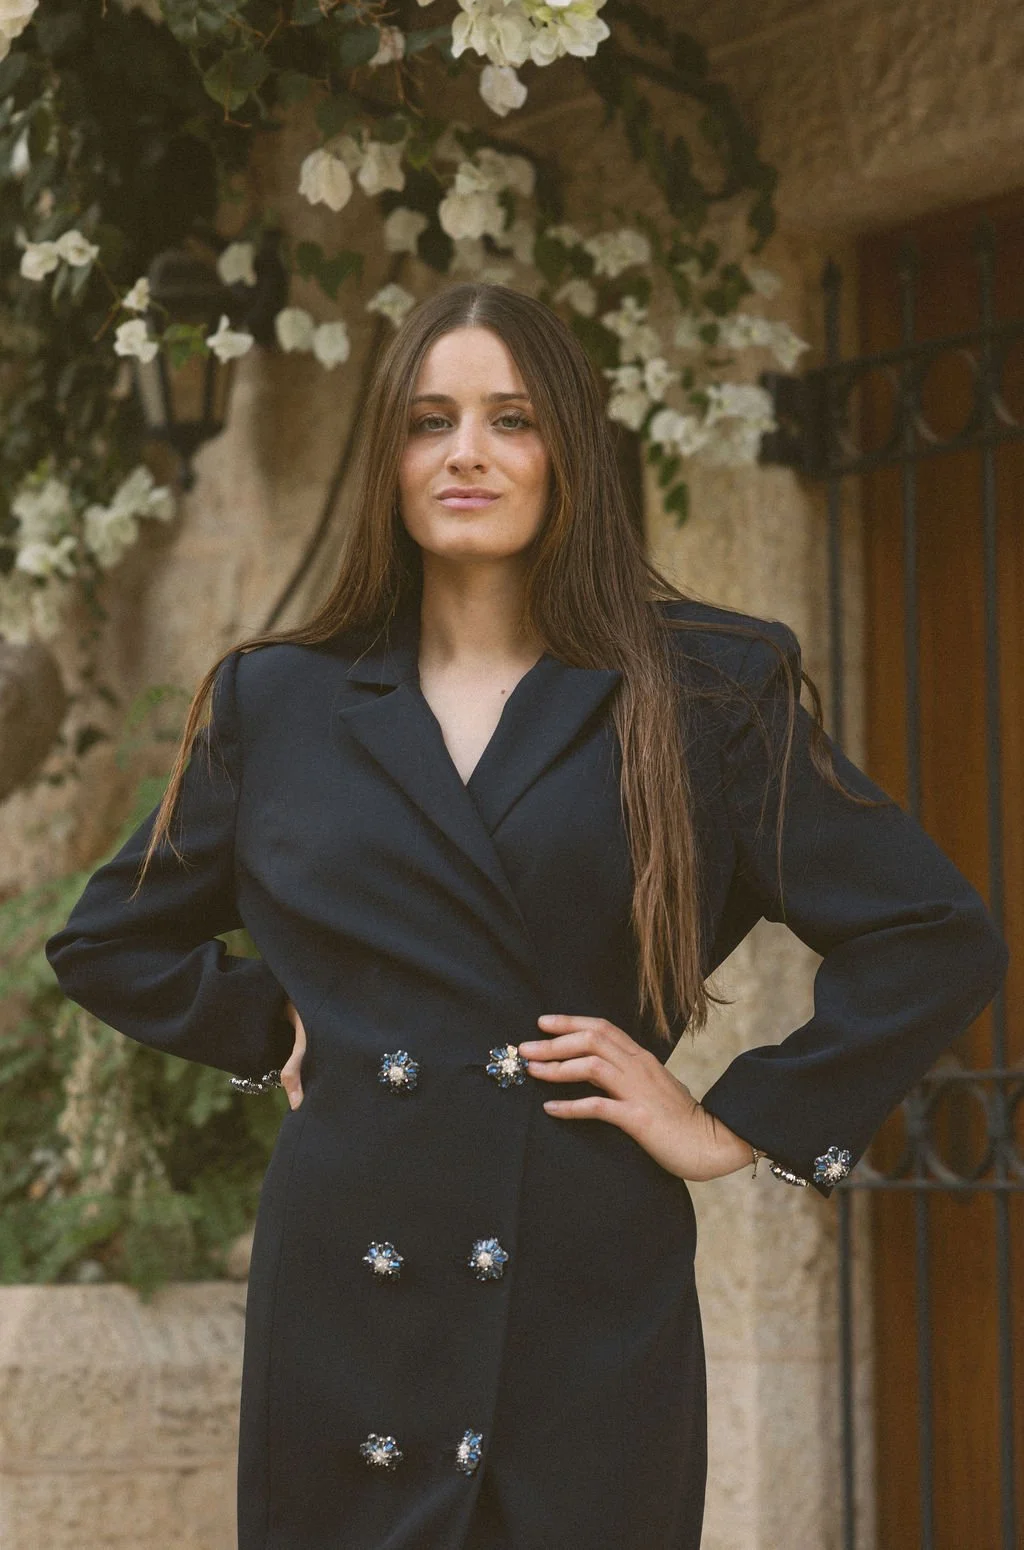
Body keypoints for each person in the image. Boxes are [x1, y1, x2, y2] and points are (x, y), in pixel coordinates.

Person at [45, 281, 1008, 1550]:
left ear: (570, 449)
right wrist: (273, 1020)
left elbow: (933, 931)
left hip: (583, 1283)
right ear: (387, 454)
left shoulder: (706, 686)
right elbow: (107, 935)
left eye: (511, 418)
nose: (467, 453)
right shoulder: (277, 700)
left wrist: (729, 1118)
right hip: (350, 1287)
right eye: (429, 419)